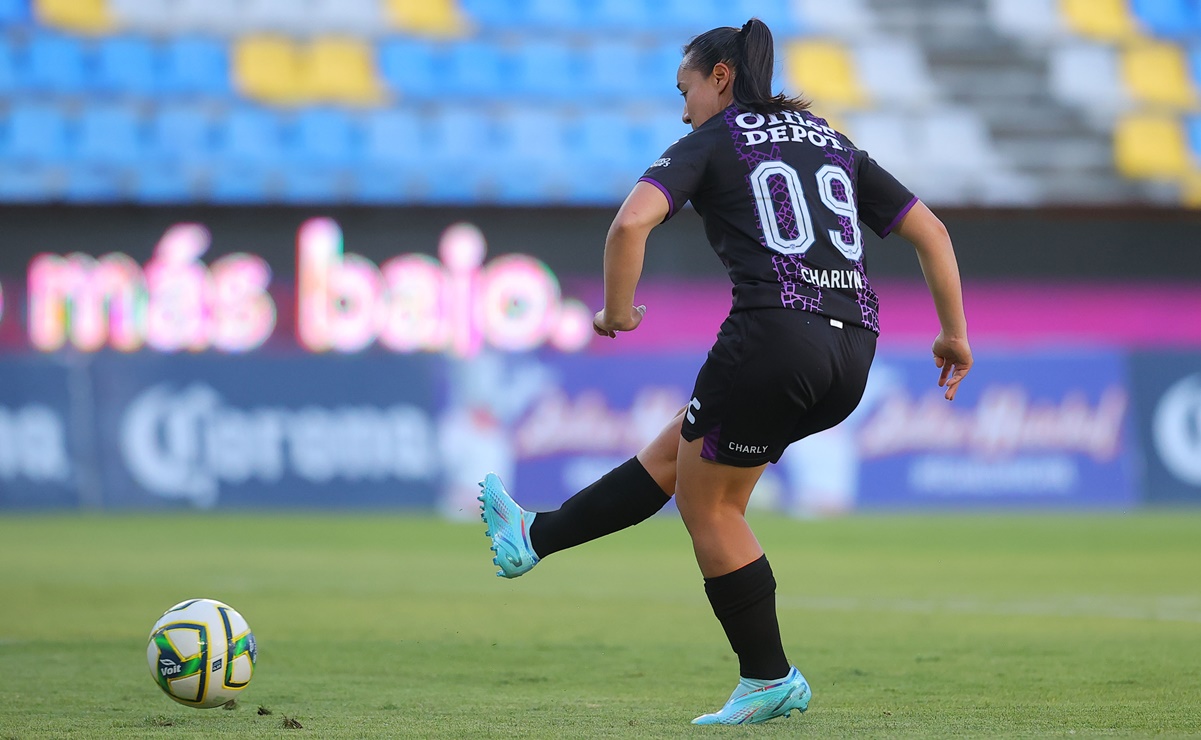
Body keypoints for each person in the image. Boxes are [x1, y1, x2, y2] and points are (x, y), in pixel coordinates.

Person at [479, 18, 973, 726]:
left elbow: (628, 225)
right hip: (852, 351)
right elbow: (932, 232)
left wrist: (616, 311)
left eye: (684, 90)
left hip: (772, 337)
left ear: (720, 77)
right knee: (678, 455)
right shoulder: (833, 143)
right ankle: (533, 537)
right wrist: (952, 335)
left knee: (709, 506)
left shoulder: (710, 141)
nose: (682, 109)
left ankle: (768, 676)